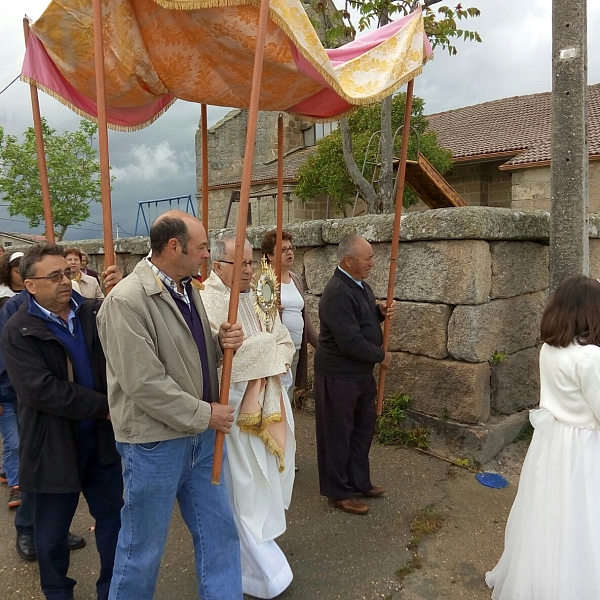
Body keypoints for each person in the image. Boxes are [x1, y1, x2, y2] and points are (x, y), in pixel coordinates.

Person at [96, 210, 244, 600]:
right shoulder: (125, 301)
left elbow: (186, 353)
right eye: (202, 248)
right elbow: (143, 383)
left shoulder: (185, 286)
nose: (207, 256)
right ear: (174, 246)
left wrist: (219, 343)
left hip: (199, 438)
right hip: (154, 445)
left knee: (219, 533)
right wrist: (207, 414)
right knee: (142, 550)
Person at [1, 243, 124, 600]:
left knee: (113, 523)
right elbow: (41, 391)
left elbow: (124, 338)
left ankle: (112, 590)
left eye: (67, 273)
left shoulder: (91, 312)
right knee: (52, 534)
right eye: (54, 276)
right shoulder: (18, 329)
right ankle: (57, 592)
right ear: (30, 285)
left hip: (100, 441)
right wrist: (104, 406)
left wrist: (119, 296)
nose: (65, 281)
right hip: (51, 444)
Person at [486, 274, 600, 600]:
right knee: (583, 516)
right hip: (584, 448)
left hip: (552, 443)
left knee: (548, 513)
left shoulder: (550, 349)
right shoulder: (590, 357)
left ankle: (540, 579)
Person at [201, 233, 296, 599]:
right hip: (238, 410)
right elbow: (223, 358)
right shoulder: (207, 300)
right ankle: (256, 571)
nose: (248, 270)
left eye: (251, 263)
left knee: (268, 480)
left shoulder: (259, 296)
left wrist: (272, 351)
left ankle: (263, 550)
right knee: (243, 487)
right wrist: (266, 347)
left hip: (270, 397)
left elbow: (283, 338)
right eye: (239, 264)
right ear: (217, 265)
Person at [314, 234, 396, 516]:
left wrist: (379, 311)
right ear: (348, 261)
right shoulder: (336, 292)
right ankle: (339, 492)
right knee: (339, 435)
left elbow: (362, 318)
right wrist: (380, 356)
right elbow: (349, 340)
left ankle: (359, 481)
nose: (373, 263)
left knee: (362, 430)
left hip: (359, 376)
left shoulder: (359, 286)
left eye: (372, 257)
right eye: (368, 258)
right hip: (339, 376)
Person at [261, 229, 318, 398]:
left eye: (291, 248)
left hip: (295, 348)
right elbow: (261, 315)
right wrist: (271, 311)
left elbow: (303, 315)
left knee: (288, 394)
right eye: (283, 250)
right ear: (270, 255)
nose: (290, 253)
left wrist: (318, 344)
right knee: (274, 398)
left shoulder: (294, 278)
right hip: (276, 351)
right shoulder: (265, 280)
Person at [0, 251, 25, 508]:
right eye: (16, 268)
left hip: (26, 387)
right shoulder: (5, 301)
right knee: (14, 441)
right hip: (5, 388)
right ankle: (17, 485)